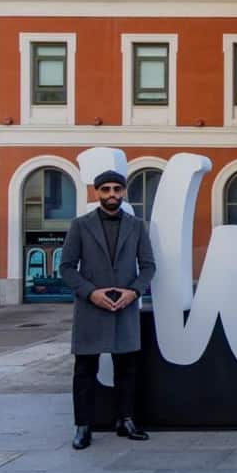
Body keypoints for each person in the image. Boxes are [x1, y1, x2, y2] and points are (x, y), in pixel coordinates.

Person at [59, 170, 157, 450]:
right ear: (97, 193)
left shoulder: (137, 226)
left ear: (124, 192)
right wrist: (91, 293)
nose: (112, 194)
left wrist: (134, 292)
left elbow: (148, 266)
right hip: (91, 308)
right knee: (84, 370)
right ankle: (83, 426)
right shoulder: (80, 225)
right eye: (106, 190)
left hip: (125, 306)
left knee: (127, 369)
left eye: (117, 189)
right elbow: (66, 267)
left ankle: (125, 420)